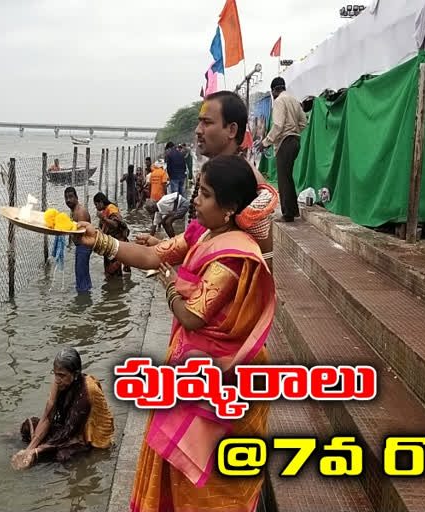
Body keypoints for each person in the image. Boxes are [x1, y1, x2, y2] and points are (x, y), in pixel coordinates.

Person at [75, 155, 275, 511]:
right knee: (177, 473)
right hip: (192, 372)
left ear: (229, 208)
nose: (195, 199)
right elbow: (154, 256)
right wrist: (99, 242)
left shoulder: (232, 255)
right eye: (197, 189)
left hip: (223, 379)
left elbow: (195, 315)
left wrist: (170, 286)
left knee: (208, 483)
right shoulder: (204, 234)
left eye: (206, 194)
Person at [192, 90, 278, 268]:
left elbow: (263, 258)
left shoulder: (247, 180)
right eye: (199, 122)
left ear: (231, 130)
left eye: (207, 122)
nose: (198, 130)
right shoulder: (213, 172)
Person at [11, 348, 114, 469]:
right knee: (28, 426)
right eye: (55, 374)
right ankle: (40, 452)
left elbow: (69, 432)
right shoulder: (59, 382)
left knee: (63, 456)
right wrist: (28, 450)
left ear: (75, 374)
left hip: (83, 437)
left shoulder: (87, 390)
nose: (57, 379)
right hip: (66, 428)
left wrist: (36, 451)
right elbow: (47, 417)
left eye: (62, 375)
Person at [260, 76, 308, 222]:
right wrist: (295, 132)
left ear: (274, 90)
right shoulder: (294, 100)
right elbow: (304, 122)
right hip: (295, 141)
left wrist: (265, 142)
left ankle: (288, 214)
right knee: (287, 177)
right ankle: (292, 211)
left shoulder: (280, 101)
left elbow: (278, 125)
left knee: (283, 178)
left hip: (285, 142)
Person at [93, 192, 130, 276]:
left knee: (114, 272)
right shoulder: (105, 211)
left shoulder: (111, 208)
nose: (96, 207)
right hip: (111, 243)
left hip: (116, 244)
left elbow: (115, 224)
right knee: (112, 271)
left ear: (101, 202)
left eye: (96, 204)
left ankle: (115, 287)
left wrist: (103, 218)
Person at [64, 187, 92, 293]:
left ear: (76, 197)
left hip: (84, 246)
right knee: (82, 273)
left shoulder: (80, 212)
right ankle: (85, 290)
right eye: (66, 197)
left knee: (81, 274)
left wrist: (64, 230)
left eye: (71, 197)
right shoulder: (74, 210)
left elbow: (80, 235)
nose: (68, 200)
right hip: (81, 246)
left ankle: (83, 299)